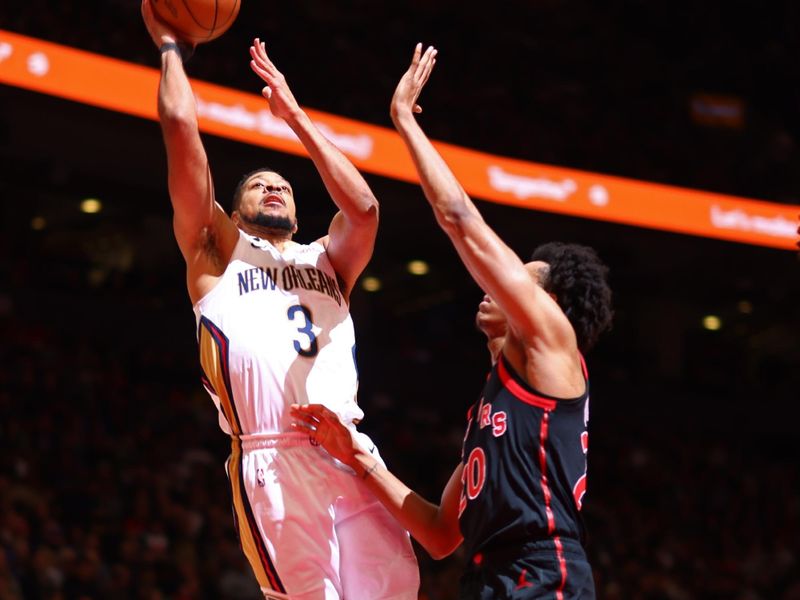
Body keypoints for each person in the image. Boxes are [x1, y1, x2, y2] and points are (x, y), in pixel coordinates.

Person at [291, 44, 613, 599]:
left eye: (518, 279)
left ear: (547, 304)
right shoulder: (491, 409)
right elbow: (441, 534)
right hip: (489, 578)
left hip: (542, 572)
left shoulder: (553, 340)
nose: (495, 285)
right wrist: (357, 457)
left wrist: (404, 123)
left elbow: (459, 218)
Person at [140, 2, 420, 598]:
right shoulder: (215, 255)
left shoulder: (328, 260)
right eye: (258, 184)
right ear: (234, 211)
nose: (273, 187)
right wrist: (170, 48)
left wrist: (294, 116)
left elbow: (365, 210)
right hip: (271, 458)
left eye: (284, 185)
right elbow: (180, 131)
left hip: (351, 452)